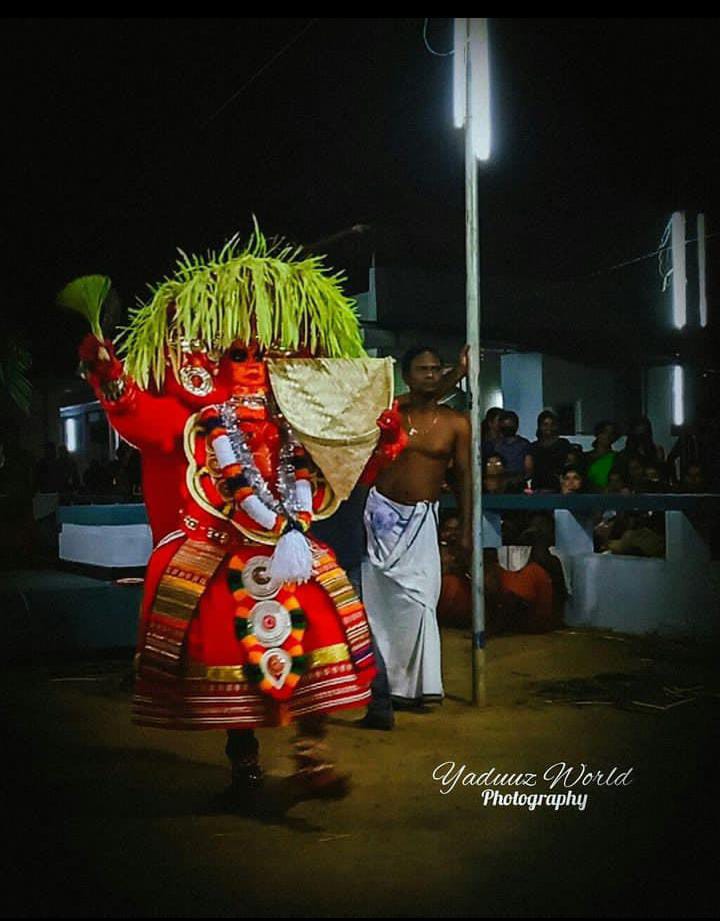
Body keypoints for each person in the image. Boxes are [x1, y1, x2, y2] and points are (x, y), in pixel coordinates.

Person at [75, 226, 402, 803]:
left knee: (323, 623)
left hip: (291, 542)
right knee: (230, 652)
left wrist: (375, 444)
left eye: (261, 354)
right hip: (219, 546)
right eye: (237, 354)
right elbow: (147, 427)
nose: (251, 366)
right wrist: (113, 381)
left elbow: (334, 474)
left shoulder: (293, 417)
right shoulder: (198, 416)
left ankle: (311, 754)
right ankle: (245, 765)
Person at [361, 345, 471, 713]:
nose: (429, 374)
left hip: (422, 523)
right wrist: (454, 377)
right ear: (406, 376)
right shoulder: (389, 413)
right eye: (421, 369)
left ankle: (421, 686)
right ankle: (387, 688)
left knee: (420, 601)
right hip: (379, 518)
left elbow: (464, 480)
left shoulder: (457, 423)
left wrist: (467, 529)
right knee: (379, 607)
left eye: (436, 369)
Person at [526, 410, 573, 491]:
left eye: (552, 425)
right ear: (540, 427)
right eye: (545, 424)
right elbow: (529, 469)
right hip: (538, 488)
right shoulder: (533, 446)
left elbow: (570, 464)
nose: (549, 428)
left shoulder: (564, 444)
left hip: (559, 488)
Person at [495, 410, 531, 487]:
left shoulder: (524, 444)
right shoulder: (496, 445)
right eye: (505, 426)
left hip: (519, 485)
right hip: (500, 486)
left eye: (510, 426)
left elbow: (529, 469)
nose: (507, 428)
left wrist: (517, 480)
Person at [584, 421, 618, 491]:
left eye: (612, 433)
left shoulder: (618, 457)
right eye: (605, 432)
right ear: (598, 434)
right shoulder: (585, 457)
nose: (608, 436)